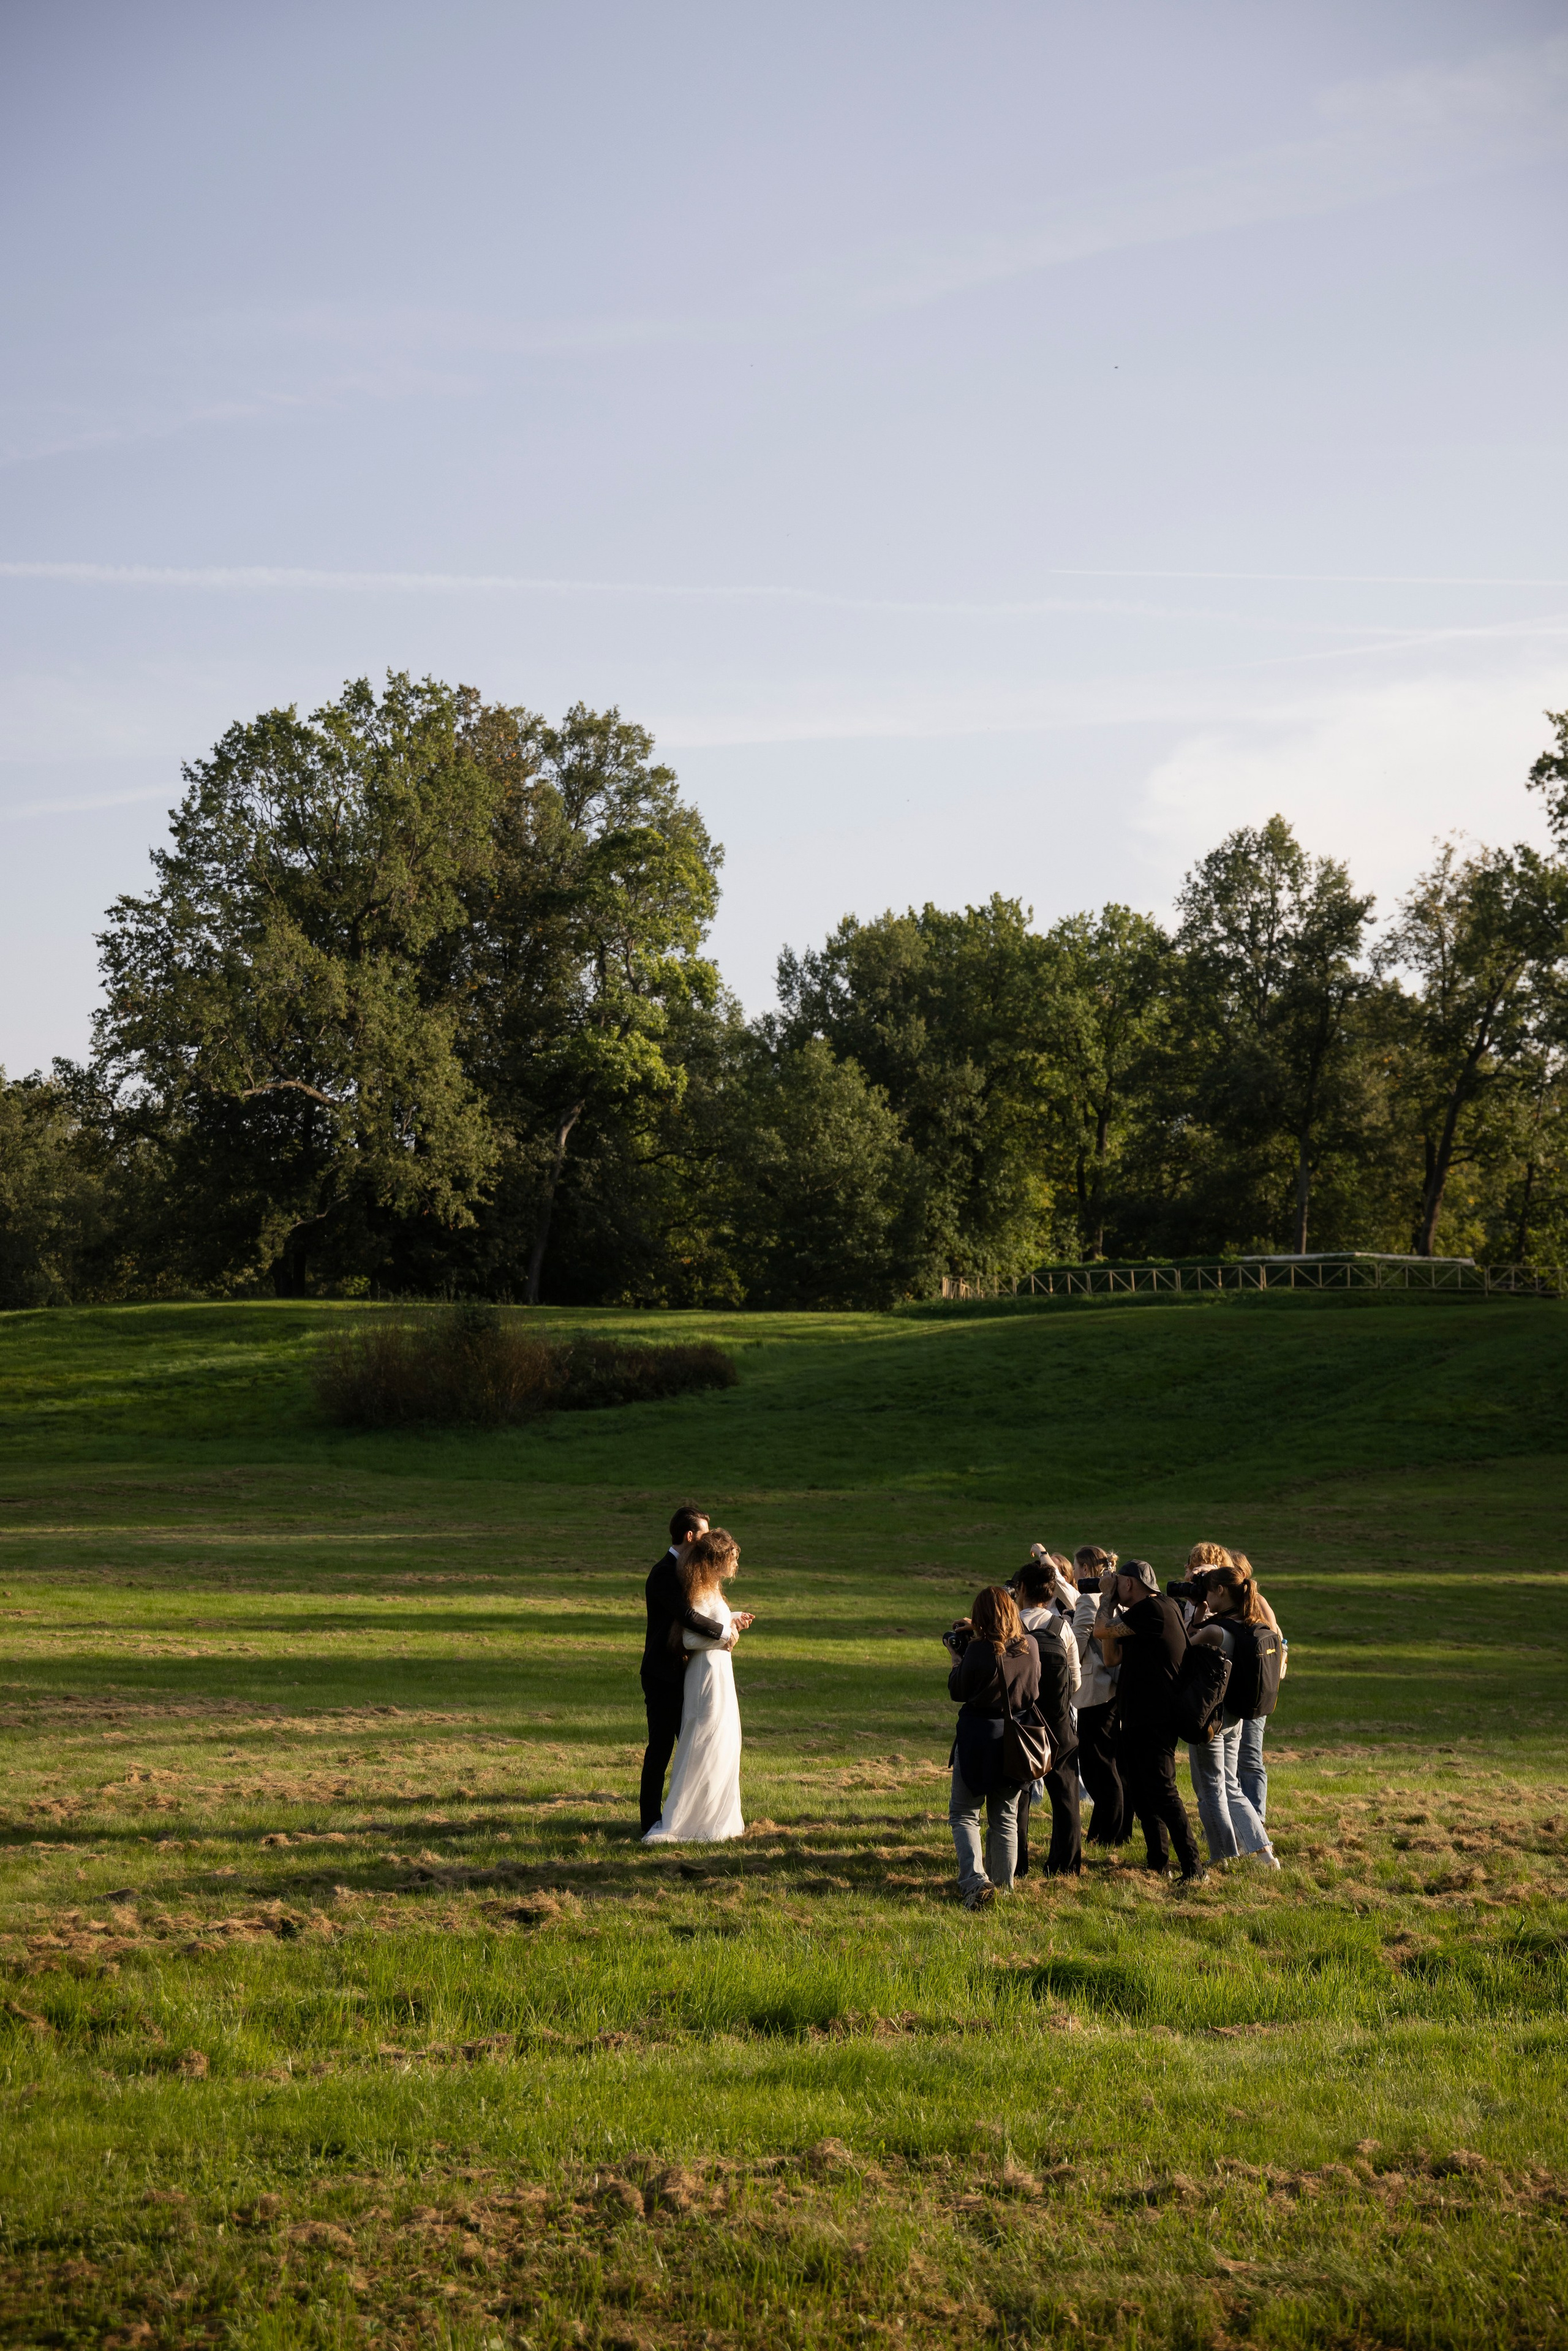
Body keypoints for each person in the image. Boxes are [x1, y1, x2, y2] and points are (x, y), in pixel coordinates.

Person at [639, 1504, 753, 1834]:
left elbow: (702, 1614)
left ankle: (696, 1817)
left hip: (688, 1673)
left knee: (696, 1750)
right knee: (661, 1749)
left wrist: (730, 1620)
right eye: (703, 1533)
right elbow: (688, 1620)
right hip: (663, 1674)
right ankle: (652, 1822)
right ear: (690, 1536)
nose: (708, 1540)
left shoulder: (688, 1569)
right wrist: (723, 1634)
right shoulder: (665, 1573)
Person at [1096, 1560, 1204, 1882]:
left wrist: (1105, 1600)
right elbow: (1111, 1656)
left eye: (1119, 1583)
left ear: (1128, 1584)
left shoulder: (1154, 1609)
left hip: (1154, 1718)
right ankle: (1158, 1861)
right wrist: (1114, 1609)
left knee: (1163, 1792)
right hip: (1136, 1718)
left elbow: (1101, 1629)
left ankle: (1194, 1868)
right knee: (1143, 1795)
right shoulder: (1145, 1615)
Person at [945, 1585, 1041, 1911]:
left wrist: (957, 1658)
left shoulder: (978, 1652)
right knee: (1005, 1817)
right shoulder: (1031, 1646)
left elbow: (958, 1691)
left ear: (981, 1617)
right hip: (1016, 1739)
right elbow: (1034, 1690)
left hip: (978, 1738)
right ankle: (1005, 1885)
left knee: (964, 1813)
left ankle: (975, 1882)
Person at [1185, 1564, 1280, 1869]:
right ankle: (1264, 1851)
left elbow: (1182, 1651)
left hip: (1210, 1719)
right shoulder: (1249, 1622)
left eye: (1209, 1592)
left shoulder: (1215, 1630)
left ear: (1221, 1591)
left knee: (1210, 1790)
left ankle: (1223, 1856)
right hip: (1236, 1716)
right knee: (1230, 1785)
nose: (1206, 1597)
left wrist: (1196, 1616)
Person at [1012, 1557, 1081, 1876]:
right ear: (1052, 1594)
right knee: (1066, 1795)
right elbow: (1076, 1680)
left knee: (1018, 1798)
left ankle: (1016, 1863)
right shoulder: (1062, 1627)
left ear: (1022, 1589)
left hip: (1020, 1725)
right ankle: (1065, 1865)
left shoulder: (1011, 1628)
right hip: (1059, 1725)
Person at [1071, 1545, 1125, 1847]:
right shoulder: (1112, 1597)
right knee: (1105, 1762)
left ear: (1087, 1570)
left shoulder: (1089, 1600)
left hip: (1095, 1689)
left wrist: (1068, 1671)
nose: (1075, 1575)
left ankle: (1109, 1836)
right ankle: (1102, 1833)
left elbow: (1079, 1638)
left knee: (1097, 1765)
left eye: (1078, 1568)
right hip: (1111, 1687)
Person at [1224, 1550, 1282, 1821]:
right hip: (1234, 1692)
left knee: (1248, 1758)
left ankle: (1256, 1821)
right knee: (1232, 1761)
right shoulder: (1225, 1607)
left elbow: (1277, 1642)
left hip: (1254, 1694)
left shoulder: (1257, 1602)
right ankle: (1236, 1819)